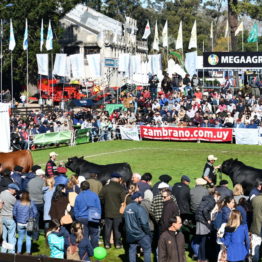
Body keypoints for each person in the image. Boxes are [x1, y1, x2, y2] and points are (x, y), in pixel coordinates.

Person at [99, 173, 126, 249]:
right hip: (118, 212)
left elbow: (100, 198)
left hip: (107, 211)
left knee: (107, 228)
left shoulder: (106, 187)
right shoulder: (121, 188)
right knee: (117, 229)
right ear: (118, 179)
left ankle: (107, 244)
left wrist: (105, 204)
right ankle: (117, 244)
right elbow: (124, 200)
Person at [124, 192, 151, 262]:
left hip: (130, 233)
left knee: (132, 249)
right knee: (147, 249)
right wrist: (148, 233)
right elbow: (144, 223)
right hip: (140, 234)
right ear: (137, 198)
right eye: (140, 197)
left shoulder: (127, 207)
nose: (141, 199)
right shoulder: (140, 208)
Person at [195, 190, 221, 262]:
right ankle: (202, 258)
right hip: (203, 220)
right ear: (216, 196)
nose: (218, 200)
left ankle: (200, 257)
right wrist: (208, 219)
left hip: (198, 218)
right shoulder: (212, 201)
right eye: (218, 198)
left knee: (201, 239)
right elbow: (205, 210)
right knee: (203, 240)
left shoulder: (206, 198)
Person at [74, 181, 101, 249]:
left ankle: (86, 249)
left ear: (81, 187)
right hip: (93, 217)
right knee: (94, 234)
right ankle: (94, 248)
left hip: (82, 218)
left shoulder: (78, 196)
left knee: (84, 235)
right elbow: (98, 207)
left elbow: (76, 209)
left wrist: (77, 217)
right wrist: (99, 216)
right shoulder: (94, 195)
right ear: (89, 187)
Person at [0, 183, 20, 253]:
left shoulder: (2, 193)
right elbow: (17, 205)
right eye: (15, 190)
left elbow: (1, 204)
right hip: (10, 218)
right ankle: (11, 252)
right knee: (11, 236)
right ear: (11, 189)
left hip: (2, 217)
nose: (16, 192)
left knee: (4, 236)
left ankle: (3, 251)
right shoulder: (12, 198)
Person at [27, 168, 45, 240]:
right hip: (41, 202)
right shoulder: (43, 182)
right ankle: (45, 233)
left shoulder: (30, 181)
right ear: (41, 175)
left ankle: (34, 236)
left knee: (34, 220)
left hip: (32, 202)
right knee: (45, 218)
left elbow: (28, 190)